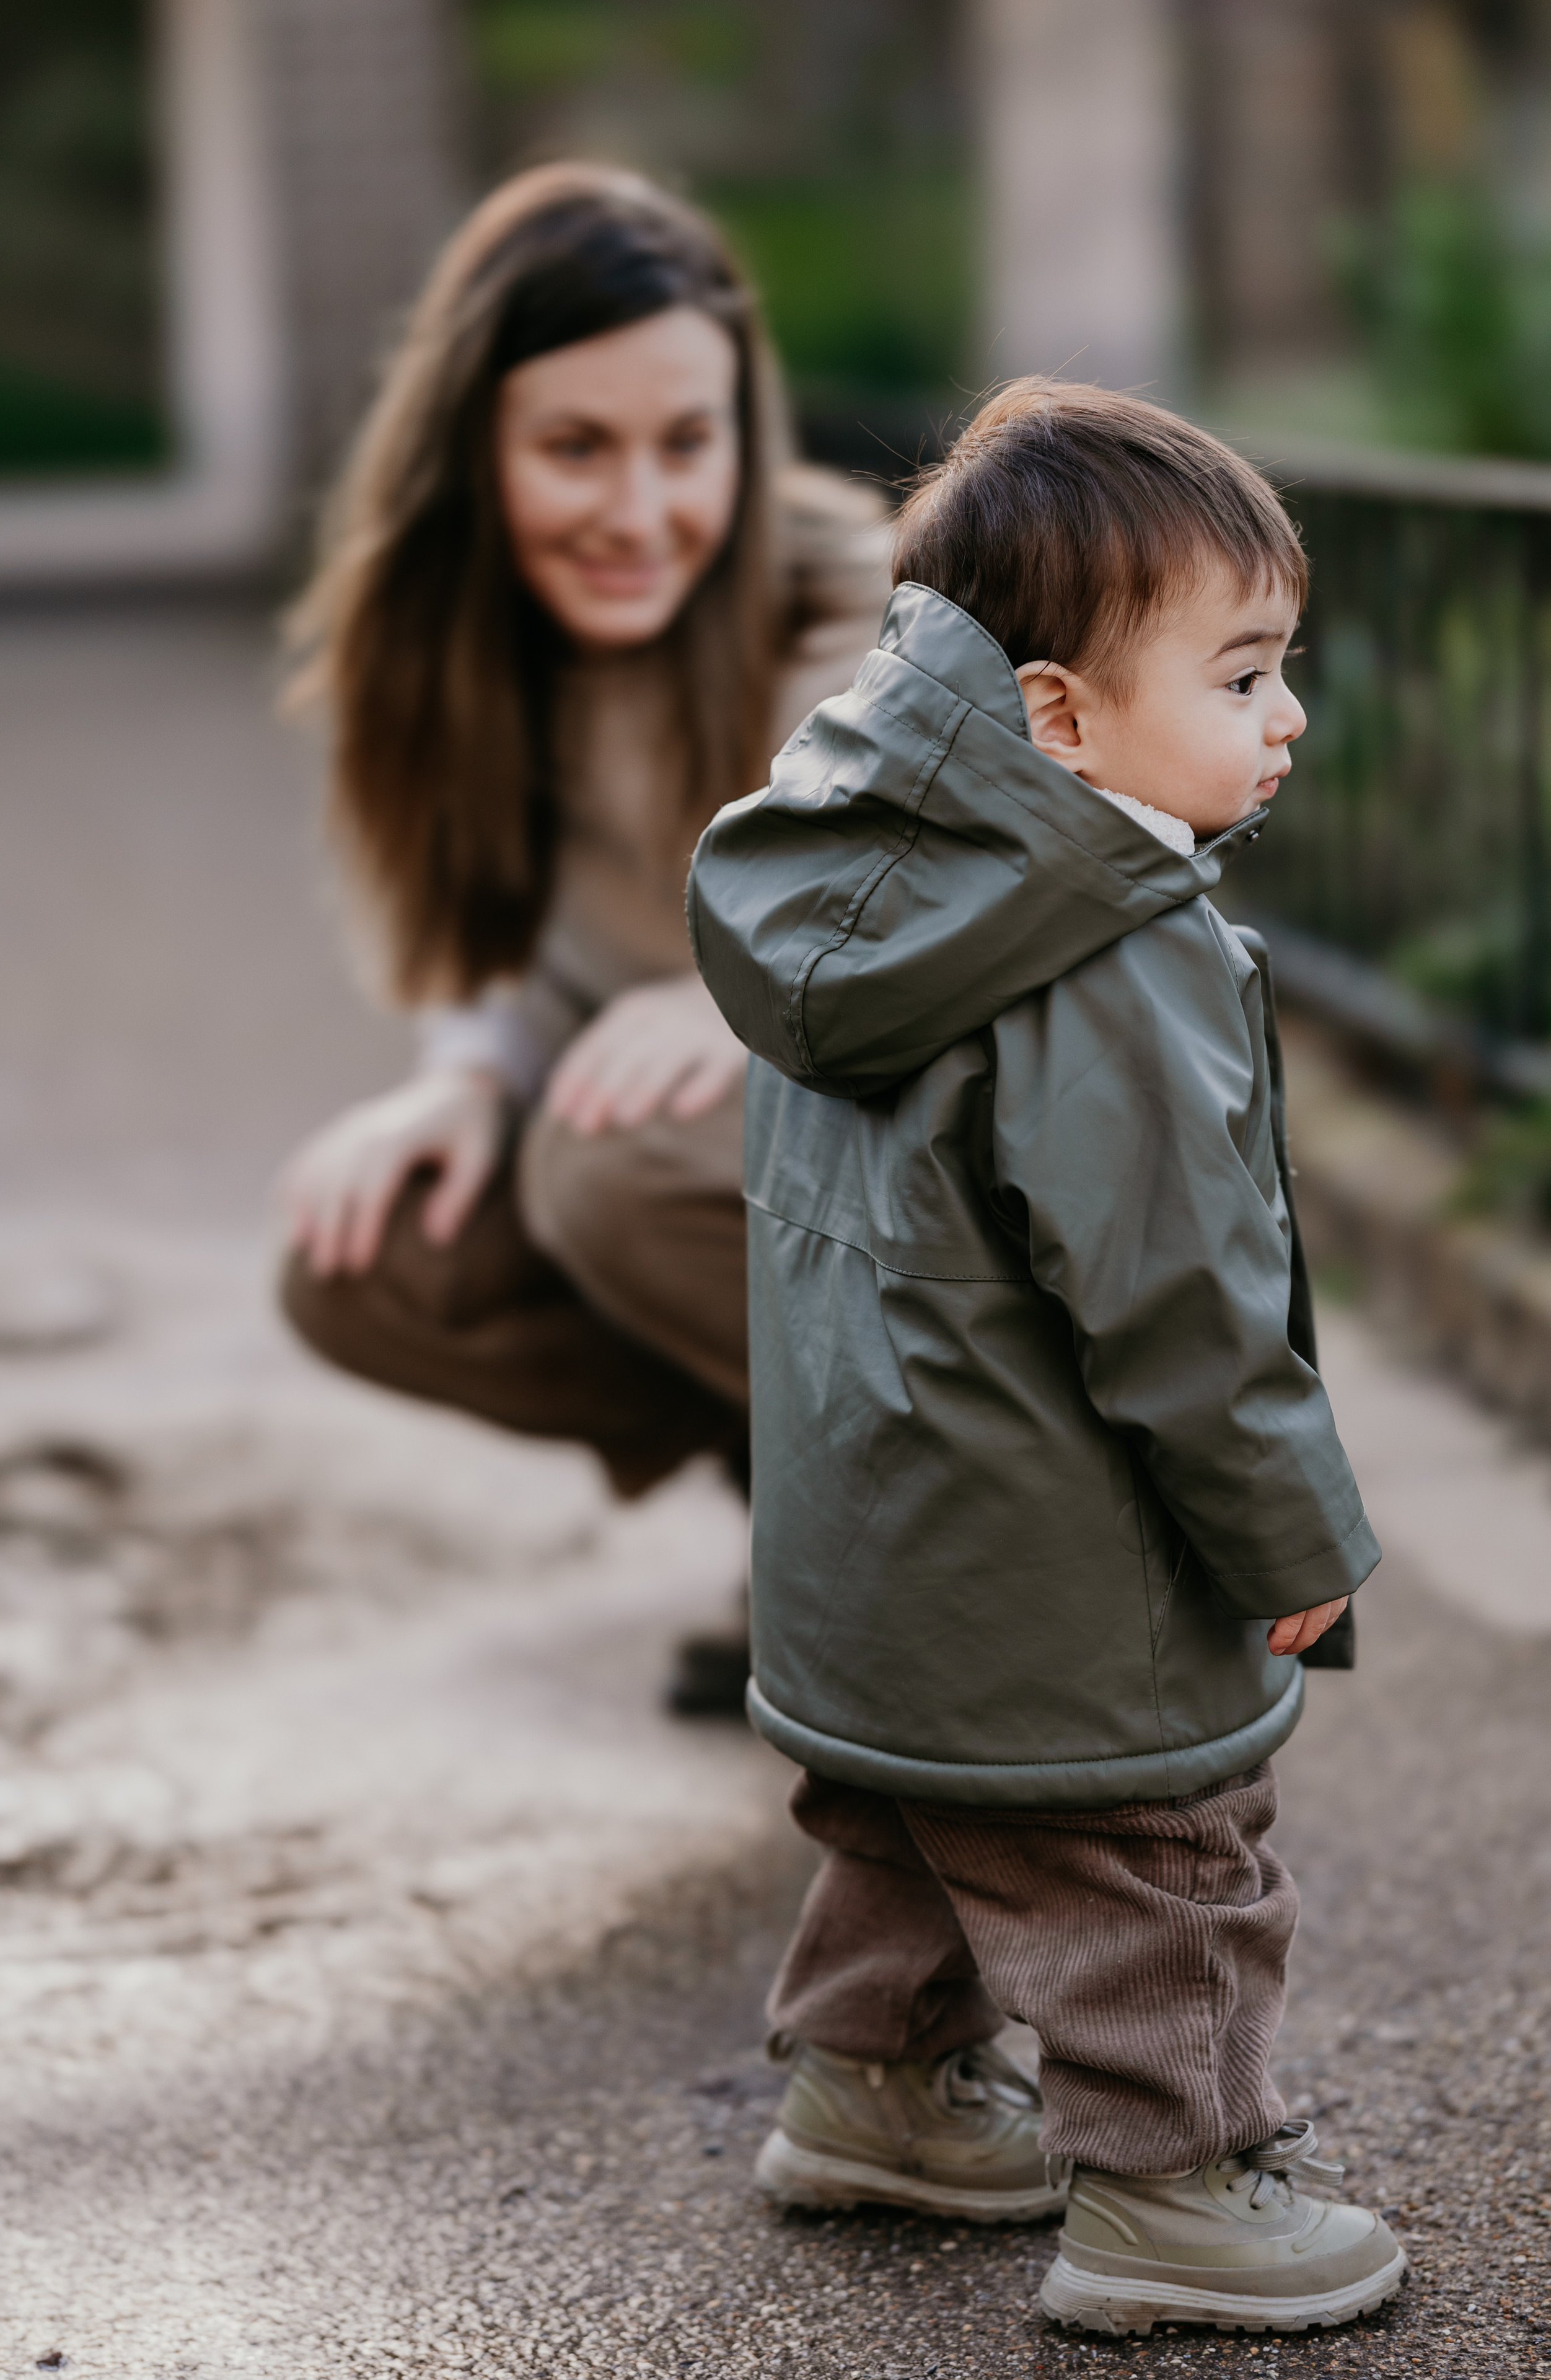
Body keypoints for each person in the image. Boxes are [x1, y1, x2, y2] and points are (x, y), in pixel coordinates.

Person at [687, 382, 1405, 2335]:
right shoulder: (1115, 947)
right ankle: (1171, 2194)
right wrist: (1293, 1536)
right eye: (1245, 672)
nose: (1288, 718)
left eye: (1289, 667)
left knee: (912, 1817)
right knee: (1154, 1862)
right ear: (1061, 721)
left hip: (874, 1547)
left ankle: (873, 2087)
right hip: (1049, 1559)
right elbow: (1183, 1300)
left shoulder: (856, 881)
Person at [277, 164, 887, 1711]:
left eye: (686, 443)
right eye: (573, 448)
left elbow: (942, 885)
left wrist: (737, 993)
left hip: (944, 1145)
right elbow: (490, 935)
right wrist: (466, 1081)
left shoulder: (844, 592)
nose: (638, 512)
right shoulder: (439, 650)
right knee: (369, 1256)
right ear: (472, 451)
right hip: (718, 1164)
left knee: (608, 1165)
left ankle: (1018, 1552)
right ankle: (826, 1522)